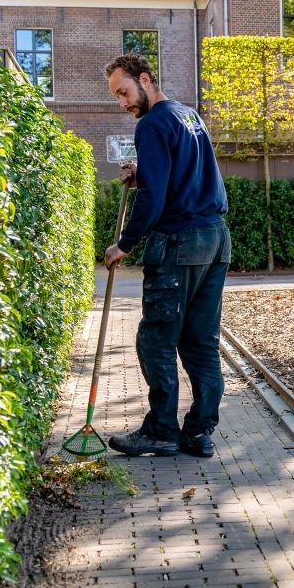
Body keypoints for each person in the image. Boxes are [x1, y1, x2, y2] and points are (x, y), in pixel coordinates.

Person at [102, 53, 231, 458]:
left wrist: (124, 244)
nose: (122, 102)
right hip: (216, 238)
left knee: (156, 338)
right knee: (200, 341)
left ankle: (161, 431)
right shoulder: (188, 116)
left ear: (144, 79)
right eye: (117, 96)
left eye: (124, 92)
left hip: (180, 242)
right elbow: (183, 175)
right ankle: (198, 432)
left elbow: (154, 199)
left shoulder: (153, 123)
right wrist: (142, 173)